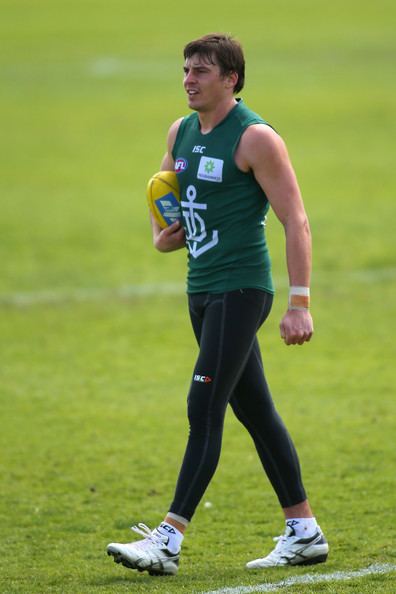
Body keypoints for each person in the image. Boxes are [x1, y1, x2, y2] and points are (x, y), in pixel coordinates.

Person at [107, 33, 328, 576]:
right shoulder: (180, 131)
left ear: (231, 79)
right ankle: (304, 531)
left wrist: (299, 302)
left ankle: (168, 539)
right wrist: (165, 231)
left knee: (202, 409)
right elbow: (168, 189)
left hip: (241, 289)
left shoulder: (255, 138)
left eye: (201, 71)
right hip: (201, 289)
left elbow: (295, 220)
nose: (188, 79)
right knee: (255, 410)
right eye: (185, 70)